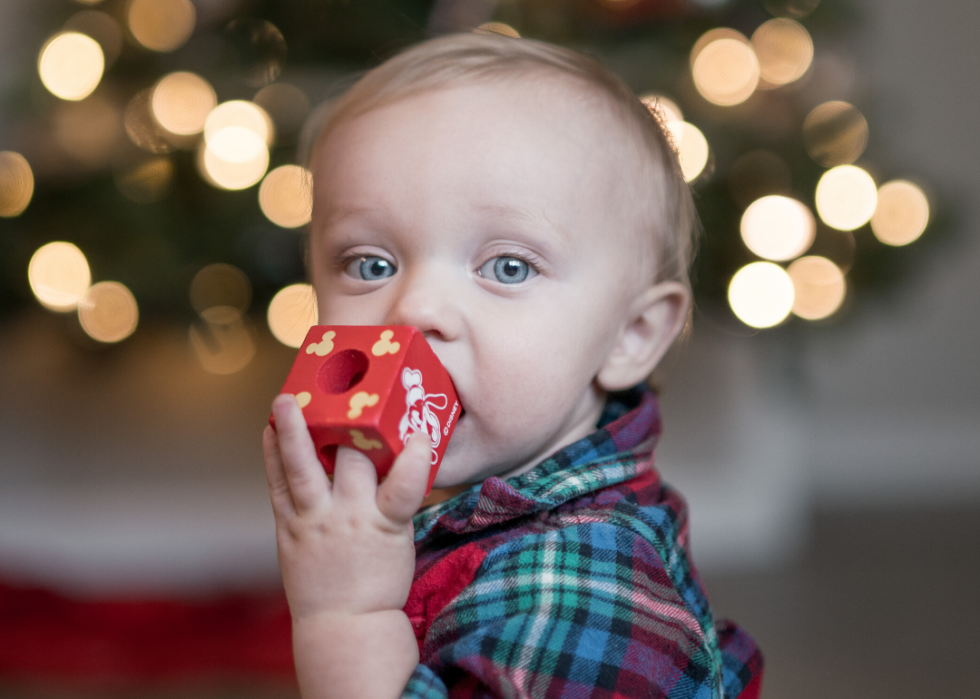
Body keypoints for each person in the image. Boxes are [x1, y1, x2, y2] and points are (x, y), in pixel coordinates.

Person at [262, 32, 763, 699]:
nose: (412, 310)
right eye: (370, 265)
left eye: (507, 266)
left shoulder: (582, 589)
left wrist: (346, 617)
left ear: (629, 335)